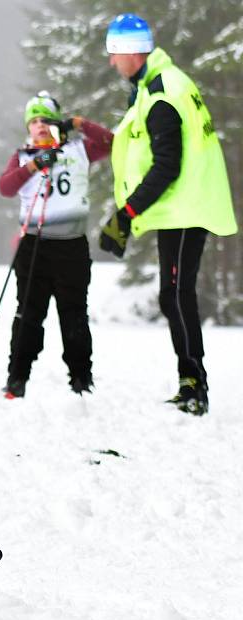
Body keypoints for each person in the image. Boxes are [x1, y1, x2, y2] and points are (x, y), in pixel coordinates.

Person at [101, 14, 237, 416]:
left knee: (176, 295)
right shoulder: (159, 83)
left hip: (183, 207)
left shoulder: (162, 92)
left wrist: (125, 214)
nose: (111, 63)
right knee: (174, 295)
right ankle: (190, 381)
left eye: (114, 54)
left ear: (131, 51)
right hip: (181, 207)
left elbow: (166, 166)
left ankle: (194, 384)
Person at [0, 92, 113, 398]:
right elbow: (5, 187)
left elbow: (111, 143)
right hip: (35, 245)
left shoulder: (78, 149)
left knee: (74, 313)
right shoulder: (24, 156)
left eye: (46, 121)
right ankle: (17, 377)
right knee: (29, 313)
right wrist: (35, 166)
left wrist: (79, 123)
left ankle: (80, 378)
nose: (39, 127)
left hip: (71, 246)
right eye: (33, 121)